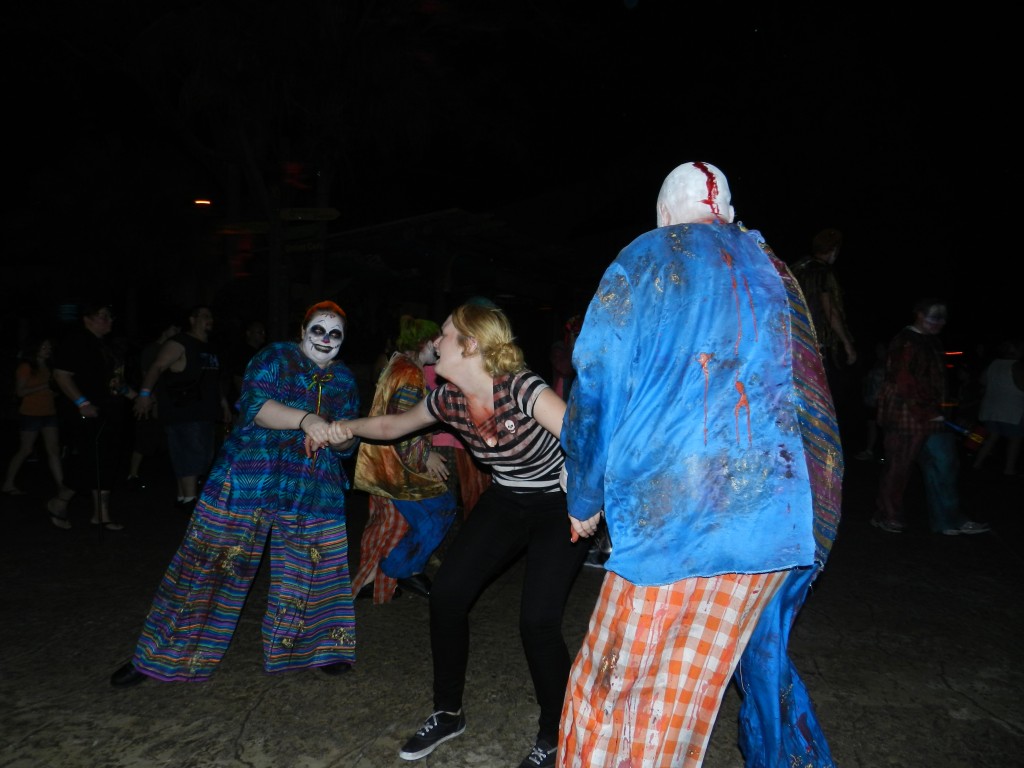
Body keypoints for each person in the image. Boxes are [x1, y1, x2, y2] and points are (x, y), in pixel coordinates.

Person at [558, 161, 842, 767]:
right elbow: (810, 394)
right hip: (771, 521)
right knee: (688, 694)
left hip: (672, 522)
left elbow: (597, 388)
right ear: (731, 214)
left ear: (663, 215)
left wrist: (583, 500)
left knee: (609, 686)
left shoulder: (644, 256)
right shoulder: (778, 271)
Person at [328, 303, 589, 768]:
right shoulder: (448, 399)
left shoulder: (521, 388)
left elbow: (584, 440)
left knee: (538, 622)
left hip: (557, 504)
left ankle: (557, 733)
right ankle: (448, 712)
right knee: (447, 596)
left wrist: (588, 499)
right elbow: (393, 425)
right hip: (507, 500)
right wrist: (344, 427)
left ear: (470, 344)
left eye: (445, 335)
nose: (436, 342)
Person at [109, 300, 361, 687]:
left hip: (312, 482)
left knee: (316, 564)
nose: (326, 339)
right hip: (251, 474)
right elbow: (257, 408)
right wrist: (308, 419)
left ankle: (319, 648)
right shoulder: (275, 356)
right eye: (318, 330)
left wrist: (343, 439)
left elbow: (346, 445)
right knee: (210, 561)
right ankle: (161, 655)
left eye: (335, 334)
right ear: (302, 332)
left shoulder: (344, 380)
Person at [352, 315, 457, 603]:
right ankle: (400, 569)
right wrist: (426, 455)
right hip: (396, 468)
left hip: (385, 463)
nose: (438, 347)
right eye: (434, 341)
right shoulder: (410, 374)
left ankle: (379, 580)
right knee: (442, 509)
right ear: (422, 343)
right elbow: (400, 424)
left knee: (394, 526)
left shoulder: (396, 365)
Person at [871, 298, 991, 535]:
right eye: (933, 317)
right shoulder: (905, 342)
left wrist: (938, 410)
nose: (939, 323)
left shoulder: (932, 342)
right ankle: (886, 515)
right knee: (899, 469)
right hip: (905, 417)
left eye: (942, 318)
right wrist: (927, 412)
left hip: (932, 416)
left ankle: (949, 519)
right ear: (918, 314)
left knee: (946, 464)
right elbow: (903, 381)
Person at [134, 305, 231, 510]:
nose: (209, 319)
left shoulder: (209, 347)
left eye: (211, 315)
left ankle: (182, 497)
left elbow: (214, 380)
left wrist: (223, 404)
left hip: (205, 410)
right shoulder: (180, 343)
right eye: (204, 315)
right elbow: (157, 366)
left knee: (202, 456)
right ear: (192, 319)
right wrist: (145, 395)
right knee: (191, 454)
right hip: (183, 409)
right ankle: (190, 500)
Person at [51, 301, 135, 530]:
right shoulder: (76, 341)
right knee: (88, 460)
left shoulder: (106, 346)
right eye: (103, 316)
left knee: (108, 461)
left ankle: (101, 514)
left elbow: (114, 381)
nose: (109, 320)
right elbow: (61, 374)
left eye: (110, 316)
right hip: (85, 411)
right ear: (87, 318)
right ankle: (60, 501)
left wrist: (135, 396)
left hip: (109, 410)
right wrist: (82, 402)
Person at [790, 227, 858, 443]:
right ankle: (821, 443)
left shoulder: (797, 268)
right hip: (819, 345)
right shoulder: (822, 271)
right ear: (834, 250)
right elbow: (830, 310)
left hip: (796, 342)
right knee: (824, 397)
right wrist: (847, 343)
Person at [2, 336, 72, 505]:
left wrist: (54, 391)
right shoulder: (26, 367)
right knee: (26, 449)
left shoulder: (48, 366)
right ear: (35, 349)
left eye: (49, 347)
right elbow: (20, 392)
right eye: (44, 347)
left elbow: (52, 388)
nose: (48, 350)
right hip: (30, 413)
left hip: (49, 412)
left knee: (53, 450)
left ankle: (61, 486)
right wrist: (45, 386)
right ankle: (8, 483)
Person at [125, 321, 181, 492]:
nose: (177, 331)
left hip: (168, 400)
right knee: (145, 437)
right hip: (151, 399)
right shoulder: (152, 349)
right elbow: (147, 375)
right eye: (174, 327)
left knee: (166, 439)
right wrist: (151, 399)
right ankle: (132, 474)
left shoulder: (174, 348)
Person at [971, 338, 1024, 476]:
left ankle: (977, 463)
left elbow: (982, 381)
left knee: (992, 437)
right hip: (1012, 409)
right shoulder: (1016, 365)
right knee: (1015, 439)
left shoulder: (993, 364)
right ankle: (1009, 469)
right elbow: (1021, 386)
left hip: (991, 408)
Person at [854, 340, 888, 462]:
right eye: (877, 349)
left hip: (882, 402)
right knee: (872, 425)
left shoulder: (890, 364)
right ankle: (870, 451)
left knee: (884, 427)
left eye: (881, 349)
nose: (878, 351)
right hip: (871, 401)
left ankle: (886, 454)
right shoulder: (877, 364)